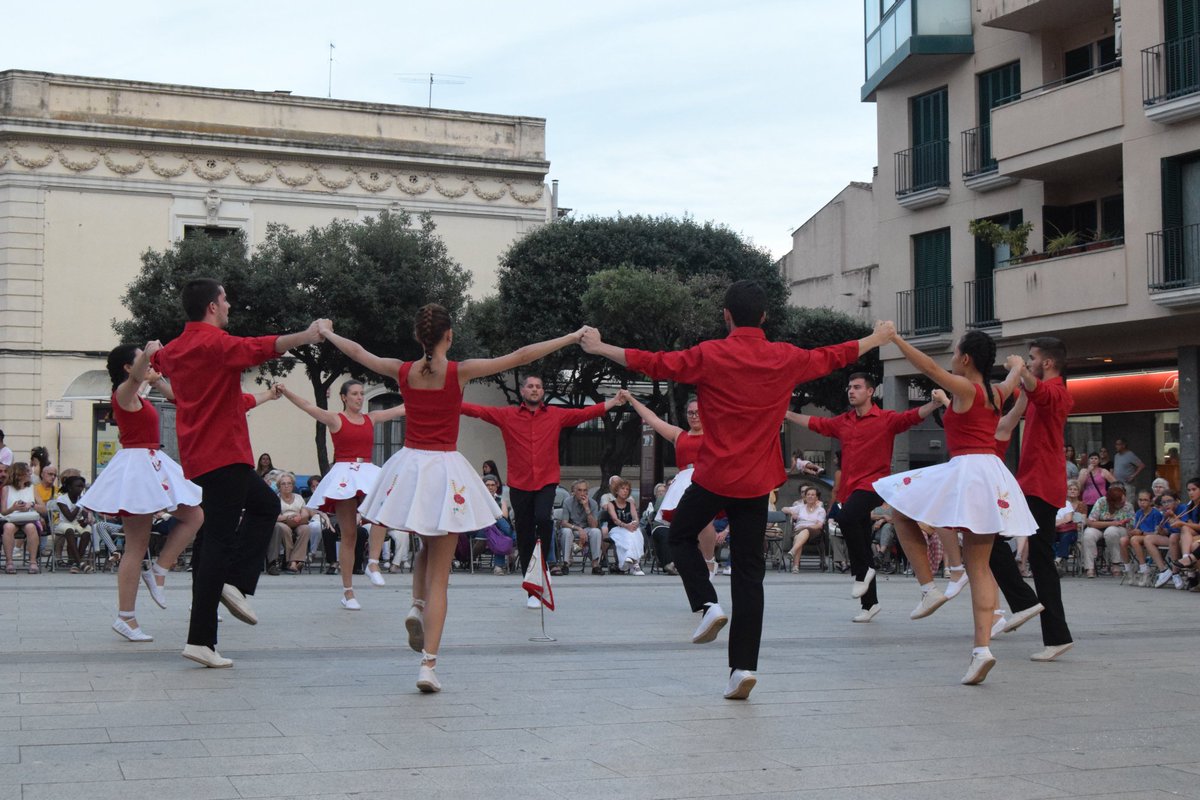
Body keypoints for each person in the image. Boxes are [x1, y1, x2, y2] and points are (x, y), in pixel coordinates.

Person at [581, 279, 895, 699]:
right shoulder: (785, 357)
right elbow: (833, 355)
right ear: (764, 316)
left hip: (715, 474)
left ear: (726, 315)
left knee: (678, 534)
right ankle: (742, 669)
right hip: (756, 481)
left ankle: (707, 604)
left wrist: (600, 347)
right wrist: (877, 338)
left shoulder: (710, 354)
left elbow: (654, 363)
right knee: (749, 575)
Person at [320, 304, 584, 693]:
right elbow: (521, 355)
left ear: (418, 336)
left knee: (424, 545)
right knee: (440, 577)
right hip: (445, 470)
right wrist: (572, 336)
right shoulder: (459, 371)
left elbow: (359, 353)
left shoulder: (403, 371)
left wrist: (327, 332)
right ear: (450, 336)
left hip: (411, 467)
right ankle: (428, 665)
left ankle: (416, 605)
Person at [150, 278, 323, 669]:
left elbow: (159, 362)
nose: (229, 306)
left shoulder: (175, 350)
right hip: (225, 455)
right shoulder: (218, 344)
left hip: (201, 458)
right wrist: (308, 335)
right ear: (212, 306)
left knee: (244, 518)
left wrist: (150, 354)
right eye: (225, 299)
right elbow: (262, 346)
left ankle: (209, 624)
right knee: (220, 540)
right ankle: (216, 613)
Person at [873, 329, 1034, 685]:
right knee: (980, 567)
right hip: (991, 475)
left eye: (956, 352)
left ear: (965, 358)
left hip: (968, 470)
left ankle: (928, 588)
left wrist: (896, 340)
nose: (951, 358)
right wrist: (1017, 366)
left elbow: (929, 367)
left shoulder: (966, 388)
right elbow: (1012, 378)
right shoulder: (997, 391)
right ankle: (981, 650)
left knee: (899, 508)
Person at [786, 372, 938, 621]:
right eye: (849, 387)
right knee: (861, 538)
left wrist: (934, 403)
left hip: (874, 486)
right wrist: (787, 414)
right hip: (851, 488)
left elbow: (911, 416)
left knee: (845, 519)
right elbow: (816, 423)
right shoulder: (843, 421)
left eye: (857, 387)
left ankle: (862, 571)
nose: (851, 391)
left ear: (870, 391)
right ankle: (870, 605)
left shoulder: (886, 419)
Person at [78, 343, 205, 641]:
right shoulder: (123, 393)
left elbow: (176, 398)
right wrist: (148, 354)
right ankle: (126, 617)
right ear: (128, 367)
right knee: (136, 546)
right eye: (140, 360)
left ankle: (159, 570)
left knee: (194, 515)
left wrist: (156, 378)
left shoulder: (138, 393)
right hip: (136, 468)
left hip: (151, 463)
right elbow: (136, 378)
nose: (147, 363)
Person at [461, 377, 626, 605]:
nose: (535, 389)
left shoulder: (555, 414)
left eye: (538, 386)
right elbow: (479, 411)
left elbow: (583, 414)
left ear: (542, 391)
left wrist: (613, 402)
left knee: (543, 519)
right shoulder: (507, 415)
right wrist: (449, 401)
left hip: (546, 481)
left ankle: (546, 566)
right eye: (530, 386)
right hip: (519, 483)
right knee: (525, 534)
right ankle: (531, 588)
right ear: (522, 391)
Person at [277, 379, 407, 606]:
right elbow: (308, 406)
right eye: (355, 393)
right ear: (344, 397)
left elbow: (402, 409)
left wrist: (429, 389)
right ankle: (348, 592)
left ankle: (373, 562)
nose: (360, 397)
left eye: (362, 393)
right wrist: (286, 391)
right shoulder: (336, 419)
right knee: (349, 534)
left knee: (383, 509)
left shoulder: (371, 418)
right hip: (345, 474)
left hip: (367, 469)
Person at [2, 462, 45, 573]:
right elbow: (3, 511)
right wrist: (13, 508)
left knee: (31, 527)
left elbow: (44, 509)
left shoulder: (32, 488)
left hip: (28, 518)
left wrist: (32, 505)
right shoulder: (6, 489)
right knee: (8, 527)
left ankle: (33, 562)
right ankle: (9, 562)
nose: (30, 473)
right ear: (19, 474)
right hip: (12, 518)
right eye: (27, 471)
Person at [560, 480, 603, 575]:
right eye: (579, 490)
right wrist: (579, 529)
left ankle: (595, 564)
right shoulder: (568, 501)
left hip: (587, 529)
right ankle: (566, 563)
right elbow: (564, 523)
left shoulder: (593, 503)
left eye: (585, 490)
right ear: (574, 491)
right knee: (566, 531)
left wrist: (587, 507)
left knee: (596, 531)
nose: (582, 493)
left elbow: (594, 525)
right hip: (572, 528)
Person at [603, 477, 645, 574]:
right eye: (622, 489)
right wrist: (626, 526)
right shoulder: (611, 504)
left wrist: (635, 524)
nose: (625, 491)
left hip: (629, 528)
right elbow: (615, 519)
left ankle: (630, 560)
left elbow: (635, 517)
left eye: (627, 489)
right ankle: (635, 565)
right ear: (616, 491)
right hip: (616, 529)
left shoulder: (630, 504)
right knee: (629, 535)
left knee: (637, 534)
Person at [782, 487, 826, 575]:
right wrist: (792, 512)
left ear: (817, 497)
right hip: (799, 531)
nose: (810, 496)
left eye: (813, 495)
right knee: (799, 537)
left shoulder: (821, 510)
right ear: (805, 497)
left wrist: (805, 527)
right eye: (808, 495)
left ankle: (793, 554)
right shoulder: (800, 507)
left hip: (815, 532)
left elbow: (819, 525)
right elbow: (783, 509)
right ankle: (795, 567)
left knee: (804, 531)